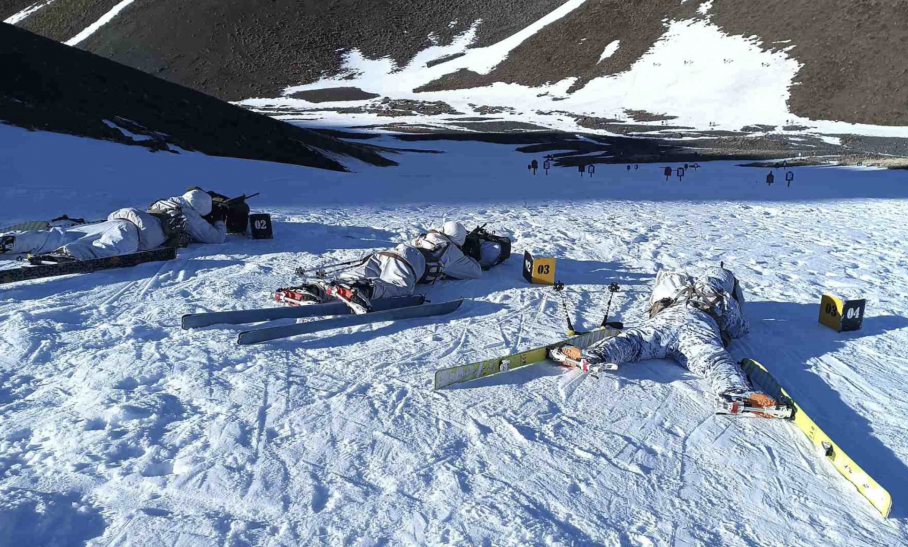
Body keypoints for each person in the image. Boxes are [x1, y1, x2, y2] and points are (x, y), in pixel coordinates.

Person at [551, 264, 779, 415]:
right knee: (714, 360)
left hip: (668, 320)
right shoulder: (723, 299)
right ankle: (736, 391)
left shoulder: (679, 289)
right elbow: (739, 328)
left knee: (634, 341)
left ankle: (595, 355)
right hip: (698, 327)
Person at [276, 221, 508, 313]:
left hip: (384, 254)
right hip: (408, 263)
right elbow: (475, 272)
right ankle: (363, 290)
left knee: (342, 280)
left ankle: (313, 290)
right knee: (398, 288)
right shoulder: (451, 250)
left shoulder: (425, 236)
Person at [0, 190, 226, 260]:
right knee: (109, 249)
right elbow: (215, 238)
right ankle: (68, 257)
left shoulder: (167, 201)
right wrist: (219, 221)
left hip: (122, 218)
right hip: (135, 232)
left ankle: (15, 241)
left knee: (66, 234)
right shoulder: (190, 214)